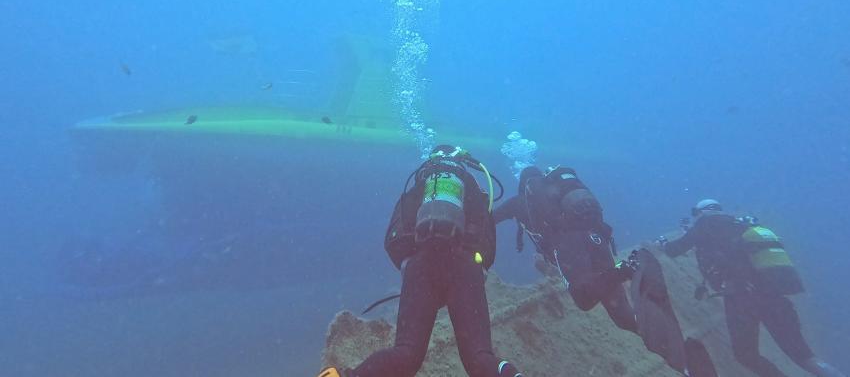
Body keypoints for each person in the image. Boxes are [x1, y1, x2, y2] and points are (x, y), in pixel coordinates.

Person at [320, 145, 522, 377]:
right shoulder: (473, 190)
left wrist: (411, 263)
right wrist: (475, 264)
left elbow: (392, 240)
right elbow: (488, 245)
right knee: (479, 357)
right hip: (465, 268)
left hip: (421, 267)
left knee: (406, 354)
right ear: (462, 163)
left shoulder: (417, 189)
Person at [661, 198, 846, 377]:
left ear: (701, 212)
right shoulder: (742, 225)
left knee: (745, 355)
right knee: (803, 355)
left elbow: (674, 250)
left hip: (741, 300)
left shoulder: (704, 225)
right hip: (774, 296)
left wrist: (661, 243)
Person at [494, 165, 638, 332]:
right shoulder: (558, 198)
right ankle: (646, 325)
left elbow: (490, 219)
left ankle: (623, 270)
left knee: (583, 297)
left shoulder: (519, 202)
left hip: (569, 244)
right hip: (596, 235)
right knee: (622, 315)